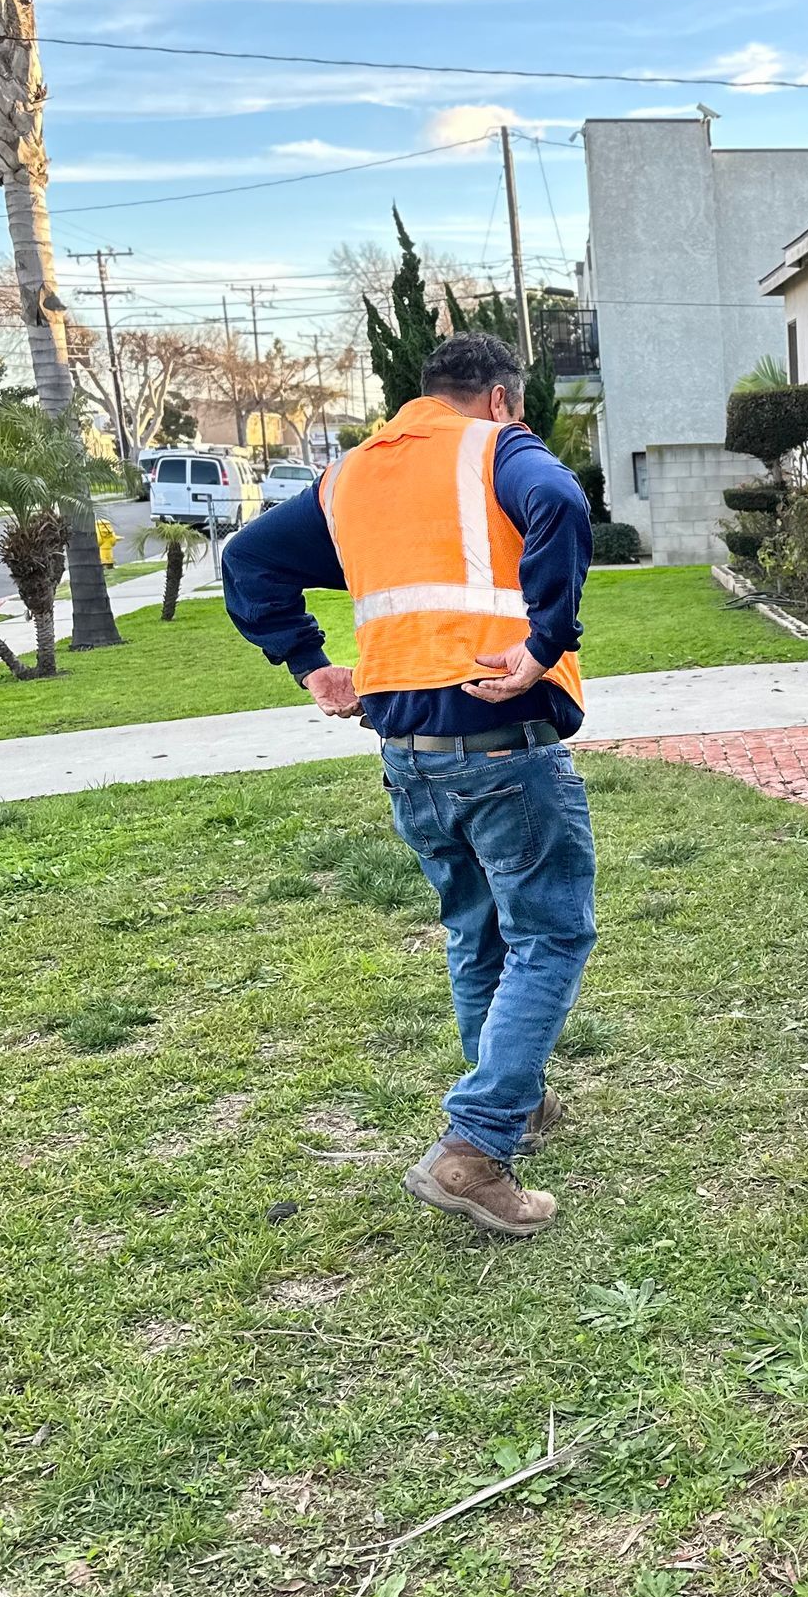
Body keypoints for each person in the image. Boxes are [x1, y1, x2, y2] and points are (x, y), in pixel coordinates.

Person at [221, 332, 595, 1238]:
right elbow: (561, 501)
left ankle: (518, 1102)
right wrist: (543, 645)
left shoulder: (351, 475)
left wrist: (310, 666)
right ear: (502, 398)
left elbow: (248, 560)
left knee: (477, 933)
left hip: (407, 753)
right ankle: (475, 1146)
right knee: (548, 935)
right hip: (503, 742)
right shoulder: (500, 449)